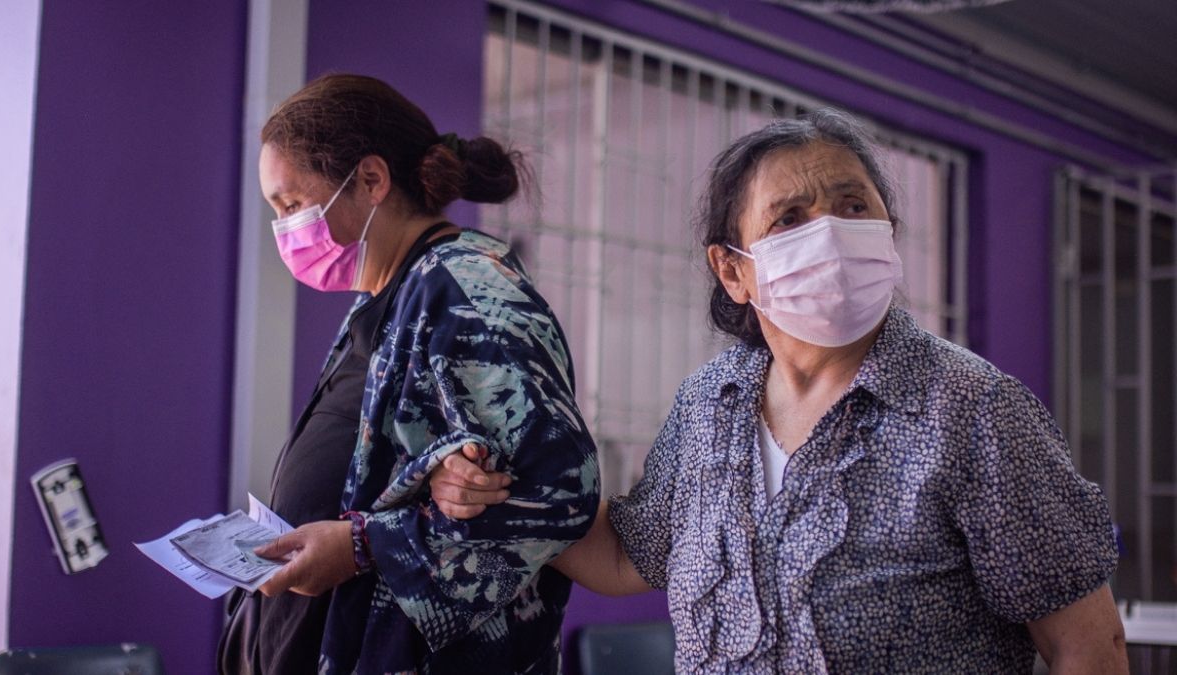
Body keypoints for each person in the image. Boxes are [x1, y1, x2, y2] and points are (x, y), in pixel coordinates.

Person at [430, 109, 1129, 673]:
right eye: (789, 218)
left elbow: (1087, 648)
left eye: (853, 205)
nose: (828, 230)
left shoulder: (973, 409)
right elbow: (627, 554)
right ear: (733, 271)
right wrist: (495, 490)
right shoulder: (709, 404)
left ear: (887, 233)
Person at [217, 73, 600, 675]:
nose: (286, 229)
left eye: (291, 205)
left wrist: (362, 547)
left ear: (370, 180)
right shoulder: (385, 299)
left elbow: (557, 495)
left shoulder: (464, 290)